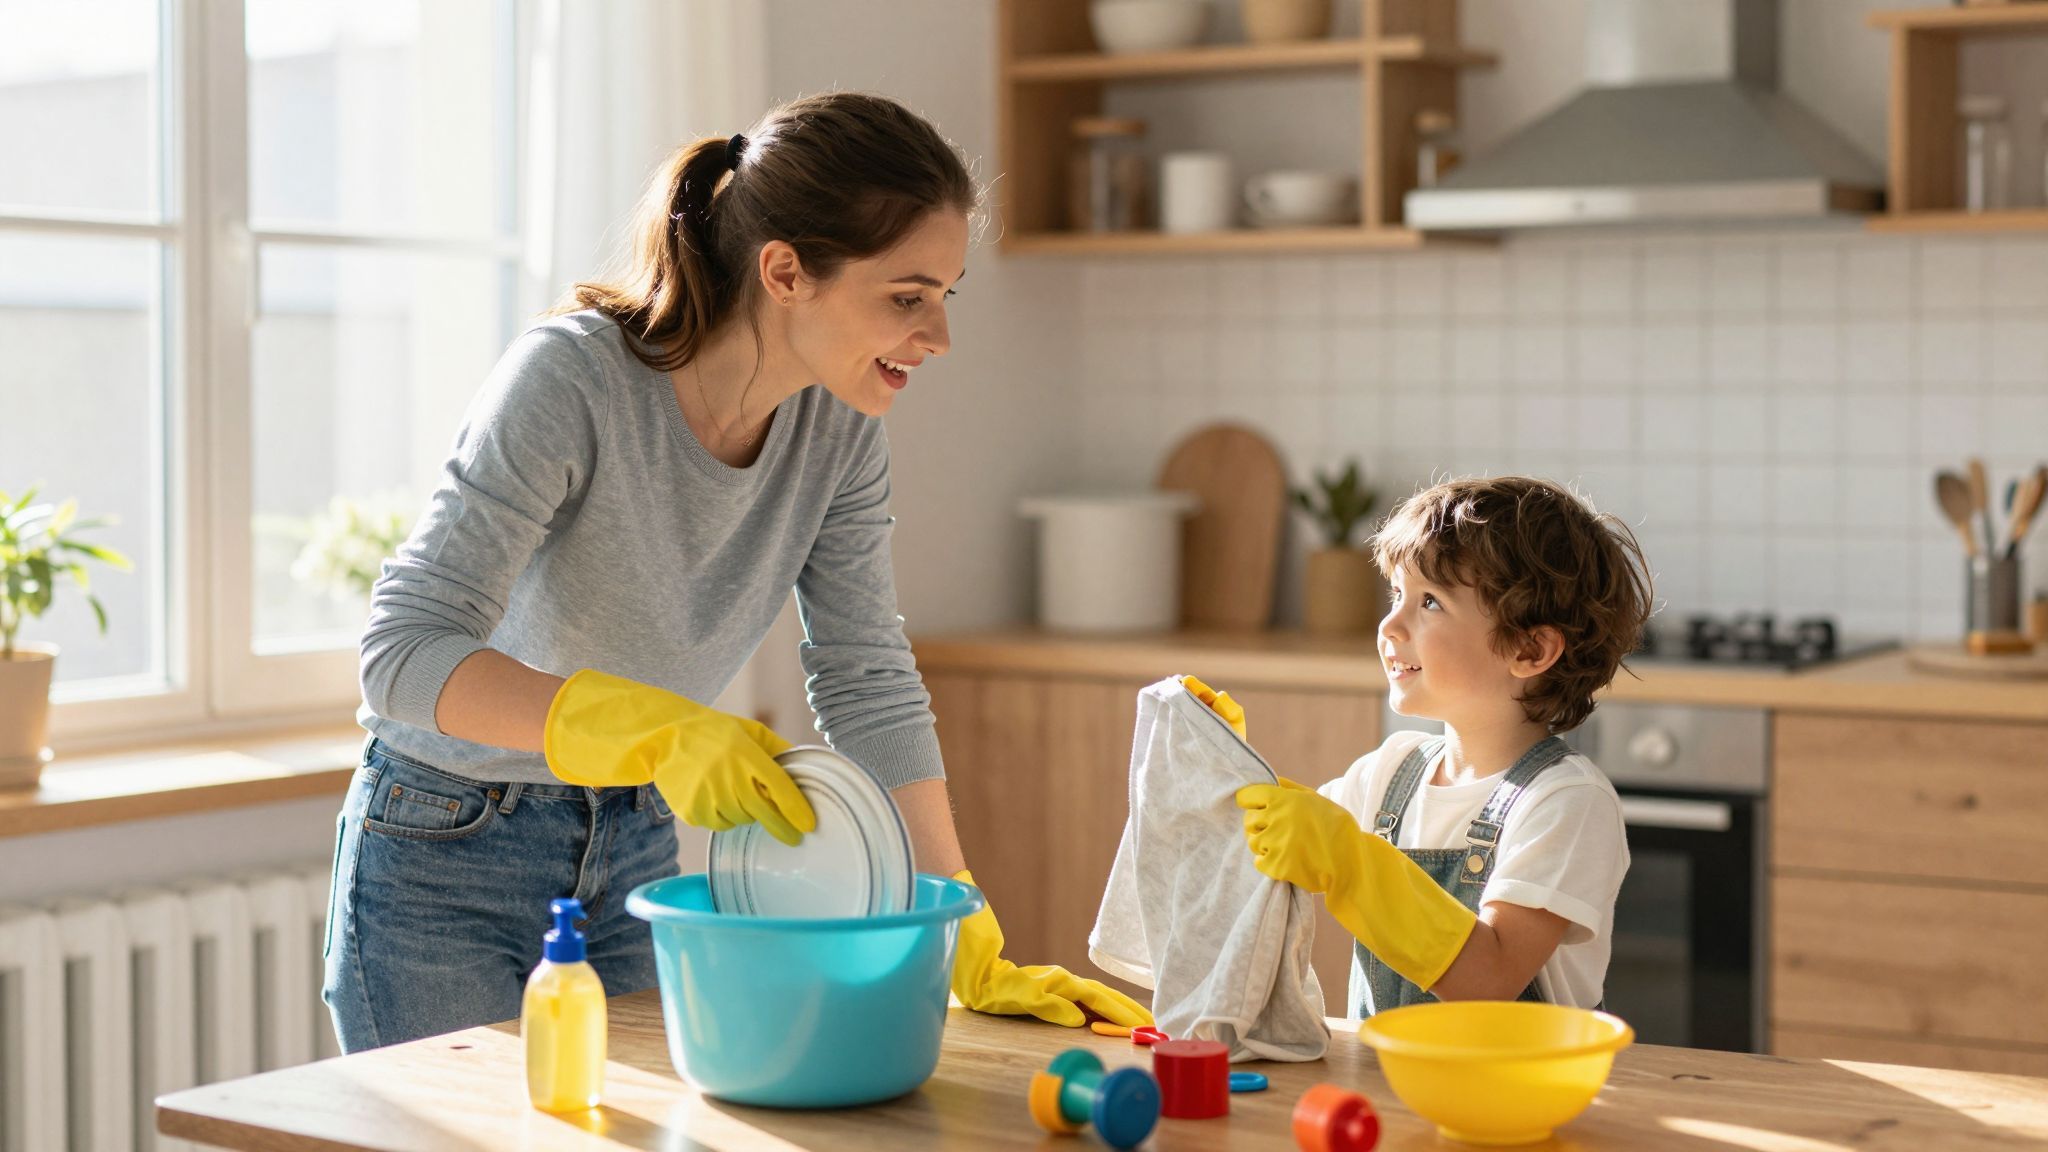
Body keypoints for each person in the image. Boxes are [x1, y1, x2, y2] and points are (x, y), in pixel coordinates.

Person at [326, 92, 1150, 1051]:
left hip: (632, 845)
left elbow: (865, 675)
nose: (938, 337)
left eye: (944, 296)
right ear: (786, 271)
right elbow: (403, 655)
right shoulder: (573, 381)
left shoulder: (838, 427)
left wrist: (957, 919)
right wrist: (648, 726)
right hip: (446, 846)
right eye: (906, 295)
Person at [1229, 476, 1652, 1016]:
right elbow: (1270, 858)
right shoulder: (1388, 772)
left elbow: (1490, 978)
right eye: (1396, 595)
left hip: (1513, 1095)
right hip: (1387, 1084)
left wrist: (1350, 865)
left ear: (1529, 648)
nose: (1389, 625)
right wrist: (1219, 754)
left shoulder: (1566, 802)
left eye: (1430, 602)